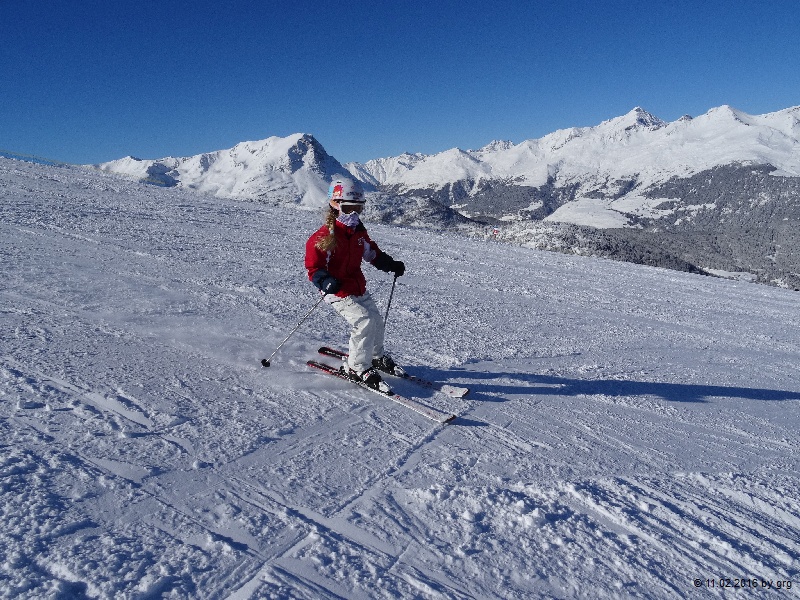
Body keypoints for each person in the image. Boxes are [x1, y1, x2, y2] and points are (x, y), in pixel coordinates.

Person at [305, 176, 406, 392]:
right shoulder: (324, 236)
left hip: (356, 286)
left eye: (358, 209)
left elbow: (371, 253)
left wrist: (390, 264)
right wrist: (324, 280)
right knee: (364, 321)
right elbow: (314, 268)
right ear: (335, 205)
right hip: (336, 290)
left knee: (376, 320)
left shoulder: (358, 232)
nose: (353, 214)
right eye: (349, 208)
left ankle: (375, 356)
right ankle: (357, 367)